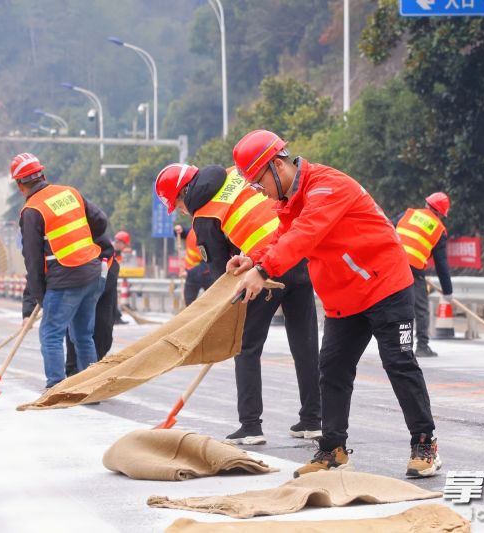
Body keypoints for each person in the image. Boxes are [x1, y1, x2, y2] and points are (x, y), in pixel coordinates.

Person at [228, 130, 441, 478]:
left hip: (385, 285)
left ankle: (424, 443)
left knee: (399, 363)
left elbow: (305, 234)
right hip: (345, 298)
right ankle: (333, 450)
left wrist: (265, 269)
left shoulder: (327, 186)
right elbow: (283, 235)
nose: (259, 191)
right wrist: (253, 260)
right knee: (333, 370)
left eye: (257, 182)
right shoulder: (289, 202)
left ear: (277, 165)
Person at [155, 162, 321, 445]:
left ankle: (250, 426)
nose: (182, 211)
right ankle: (313, 420)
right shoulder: (236, 174)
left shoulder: (205, 215)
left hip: (266, 268)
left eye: (178, 204)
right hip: (298, 255)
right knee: (304, 343)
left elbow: (223, 273)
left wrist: (229, 303)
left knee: (245, 347)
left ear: (184, 193)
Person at [12, 153, 112, 388]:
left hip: (66, 279)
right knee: (83, 336)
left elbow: (33, 260)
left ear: (19, 185)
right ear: (43, 175)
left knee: (51, 334)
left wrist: (40, 297)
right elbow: (100, 220)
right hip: (92, 272)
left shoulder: (32, 211)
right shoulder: (70, 193)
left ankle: (56, 387)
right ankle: (90, 387)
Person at [394, 193, 454, 357]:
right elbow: (442, 265)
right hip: (412, 270)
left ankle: (401, 346)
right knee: (420, 309)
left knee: (399, 308)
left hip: (392, 264)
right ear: (441, 213)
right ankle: (422, 346)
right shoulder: (439, 229)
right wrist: (447, 291)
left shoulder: (408, 214)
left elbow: (387, 229)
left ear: (427, 204)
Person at [64, 249, 119, 376]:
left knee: (103, 326)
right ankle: (73, 373)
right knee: (77, 328)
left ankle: (94, 369)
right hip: (75, 272)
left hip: (104, 270)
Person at [174, 225, 214, 306]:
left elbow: (207, 263)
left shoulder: (210, 237)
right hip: (191, 276)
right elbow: (184, 233)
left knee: (212, 303)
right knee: (188, 304)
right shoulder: (192, 231)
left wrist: (188, 273)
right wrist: (179, 231)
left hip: (207, 274)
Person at [111, 231, 130, 325]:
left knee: (113, 298)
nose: (125, 247)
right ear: (119, 242)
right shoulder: (109, 249)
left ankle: (117, 318)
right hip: (105, 279)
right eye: (125, 245)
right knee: (111, 299)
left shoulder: (118, 252)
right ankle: (116, 318)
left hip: (112, 279)